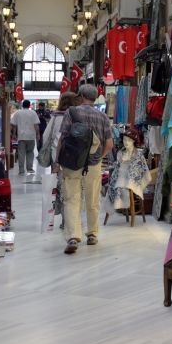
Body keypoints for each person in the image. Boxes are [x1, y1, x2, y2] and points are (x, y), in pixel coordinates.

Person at [56, 84, 114, 255]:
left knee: (72, 199)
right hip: (93, 165)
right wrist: (98, 157)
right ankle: (92, 234)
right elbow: (109, 144)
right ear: (95, 98)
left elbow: (63, 138)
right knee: (93, 199)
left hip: (72, 163)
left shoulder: (72, 112)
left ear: (80, 96)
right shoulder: (102, 116)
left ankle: (73, 237)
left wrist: (57, 161)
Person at [41, 92, 78, 233]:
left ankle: (64, 218)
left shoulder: (56, 117)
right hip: (75, 159)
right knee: (72, 189)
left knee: (60, 189)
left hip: (57, 158)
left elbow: (46, 136)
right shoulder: (77, 116)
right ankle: (71, 219)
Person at [10, 100, 40, 175]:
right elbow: (36, 125)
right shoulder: (33, 113)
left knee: (21, 153)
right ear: (29, 105)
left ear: (22, 105)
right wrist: (38, 134)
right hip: (31, 136)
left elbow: (14, 125)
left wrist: (14, 134)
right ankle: (29, 168)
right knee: (30, 152)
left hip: (21, 136)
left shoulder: (18, 113)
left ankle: (21, 170)